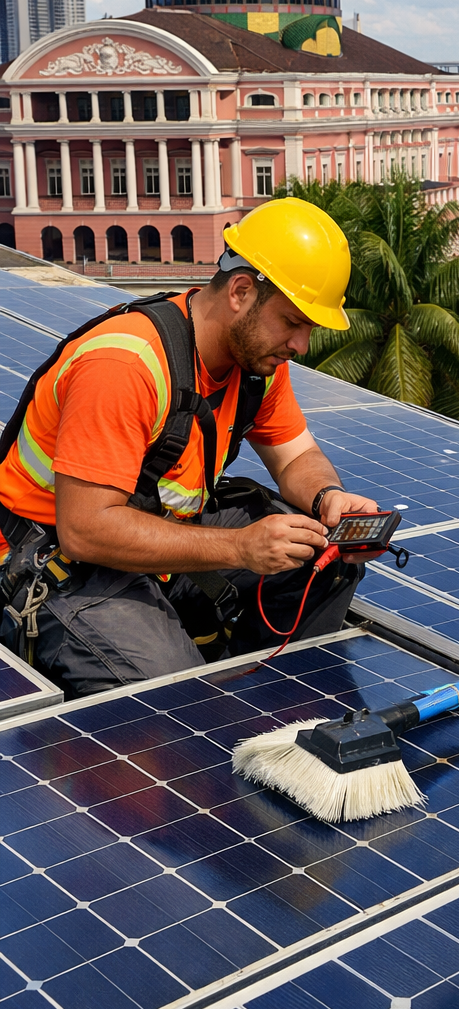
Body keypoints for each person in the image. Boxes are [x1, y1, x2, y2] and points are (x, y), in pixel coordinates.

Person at [0, 198, 382, 697]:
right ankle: (206, 718)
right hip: (53, 564)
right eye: (293, 322)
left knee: (318, 557)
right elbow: (85, 530)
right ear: (241, 292)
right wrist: (242, 548)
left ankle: (259, 705)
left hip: (153, 540)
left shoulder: (257, 364)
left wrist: (326, 497)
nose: (301, 345)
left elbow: (295, 457)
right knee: (177, 697)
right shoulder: (125, 366)